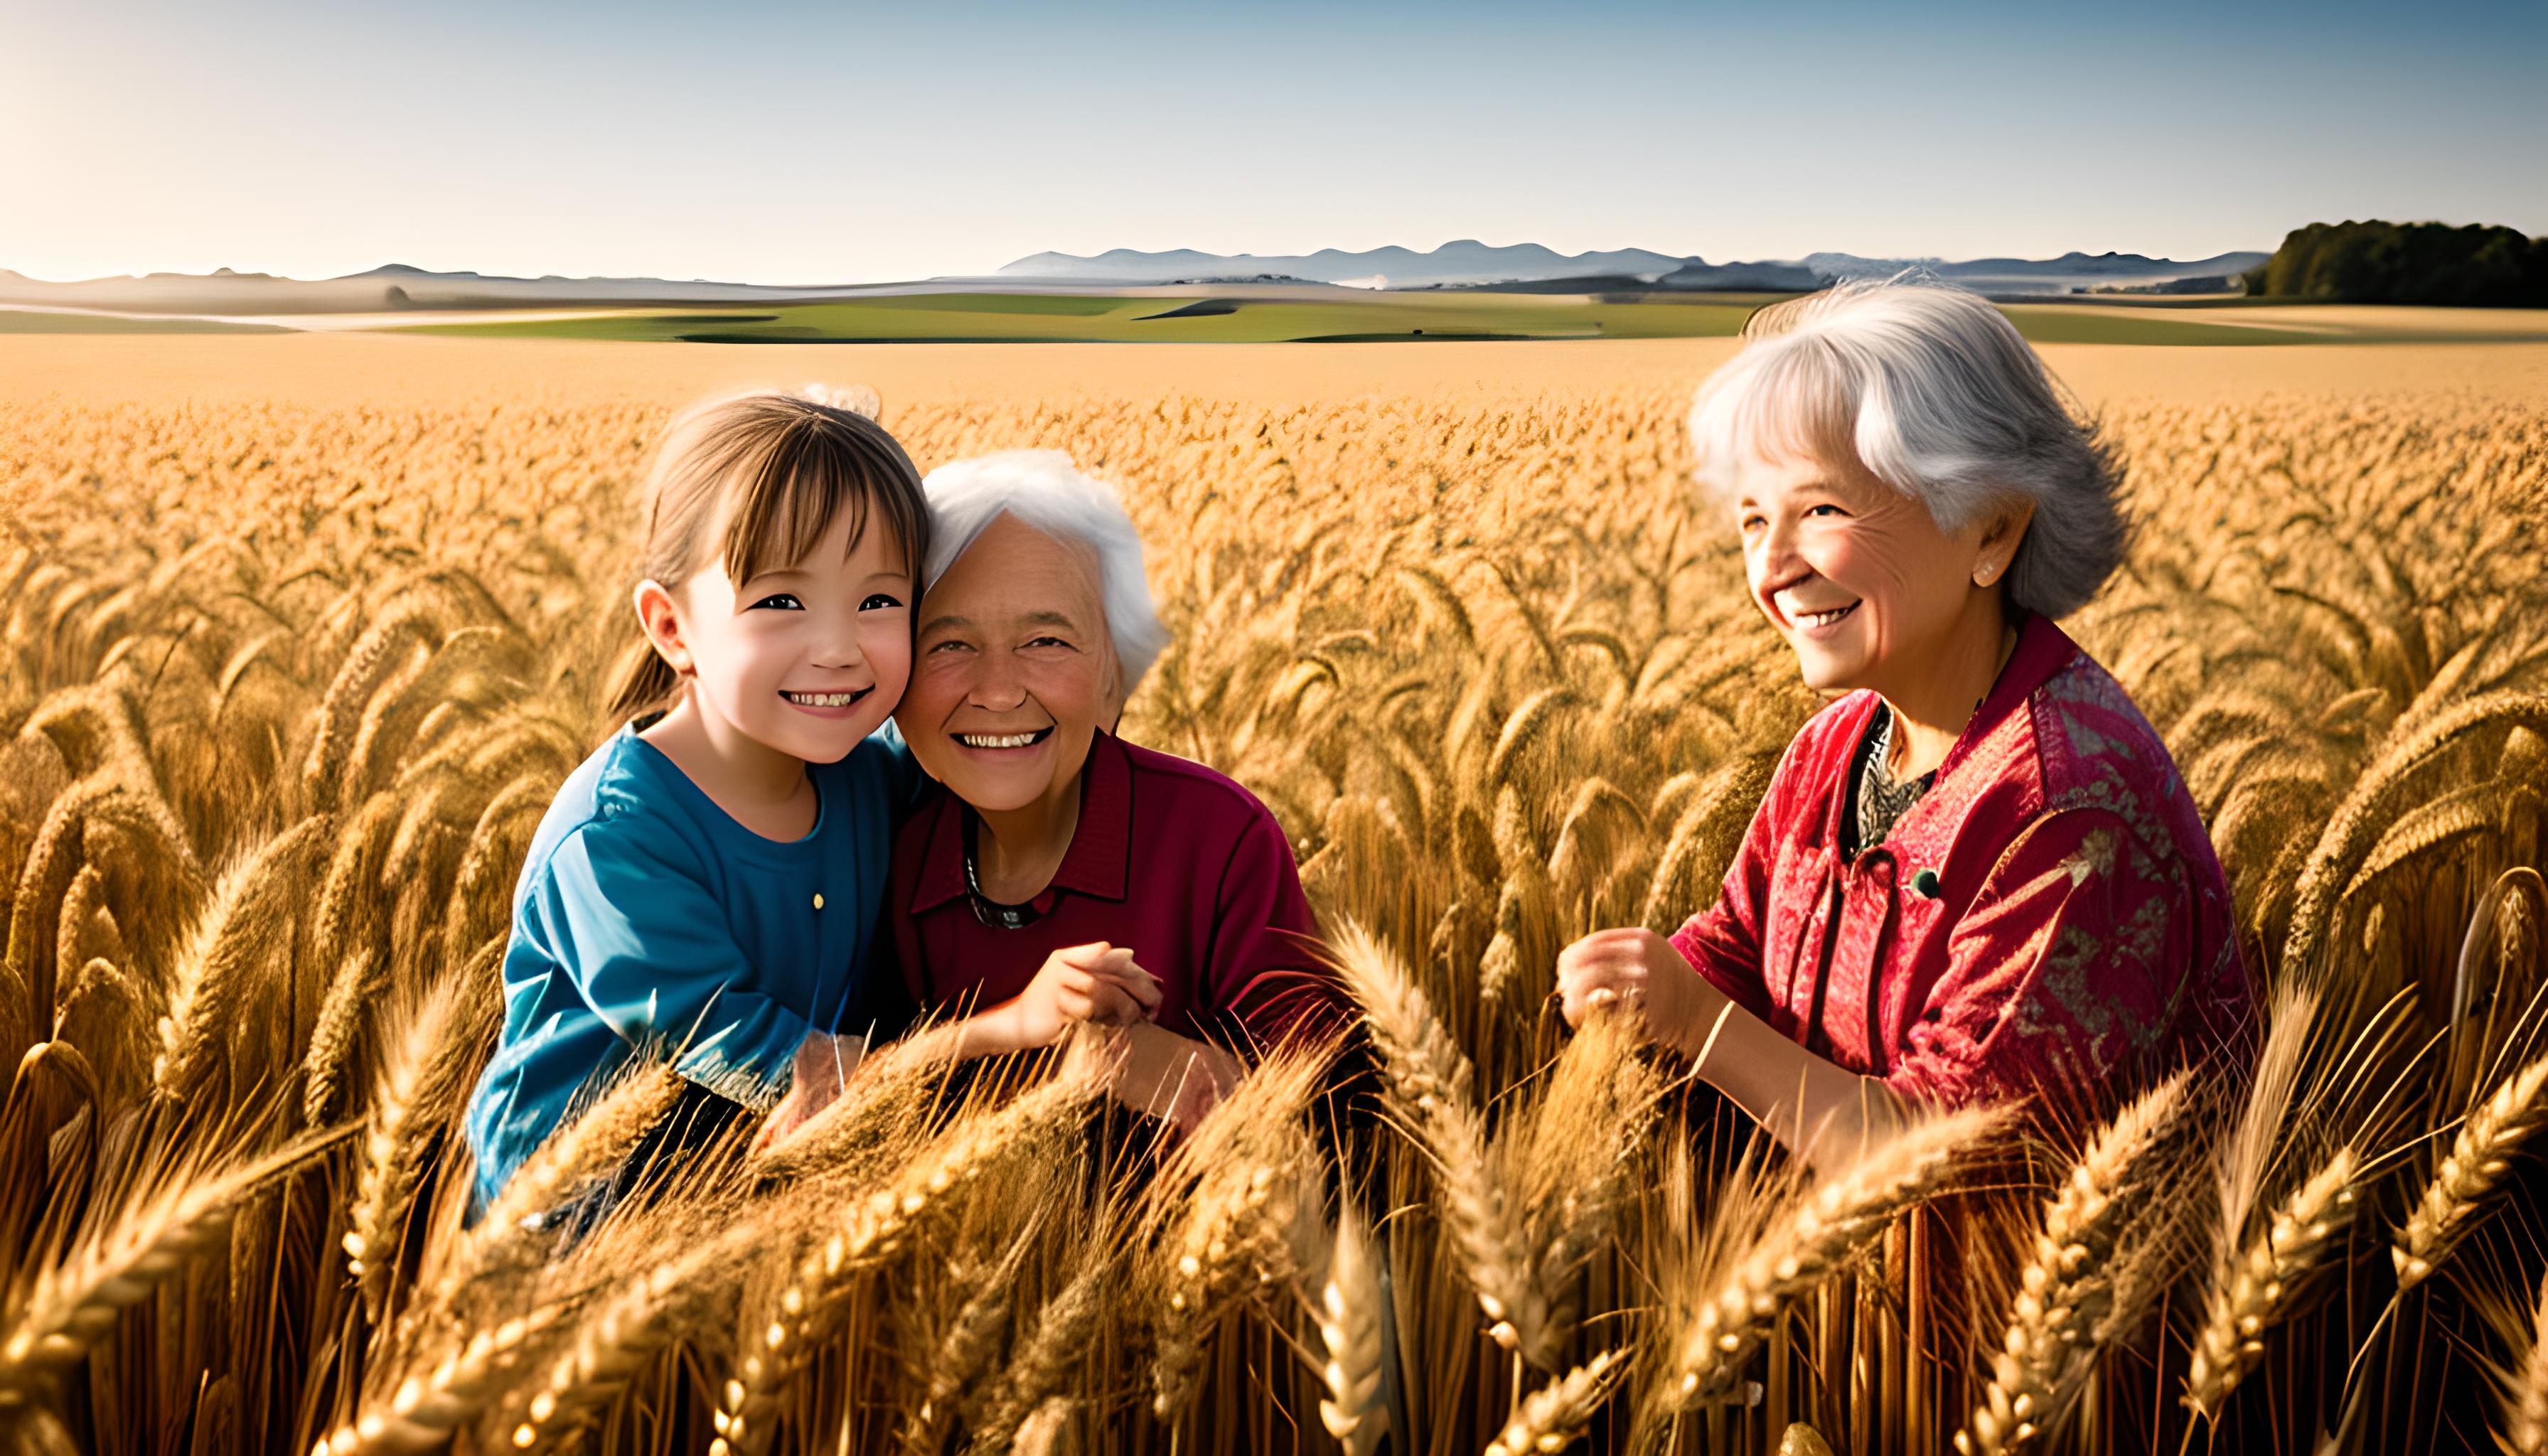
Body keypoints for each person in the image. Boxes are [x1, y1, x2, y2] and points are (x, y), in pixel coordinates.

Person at [1555, 279, 2254, 1172]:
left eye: (1821, 510)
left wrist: (1695, 1022)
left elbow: (1941, 1154)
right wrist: (1628, 991)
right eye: (1752, 520)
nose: (1771, 566)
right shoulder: (1839, 742)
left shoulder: (2071, 809)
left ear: (1990, 527)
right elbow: (1737, 944)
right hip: (1838, 1293)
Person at [461, 390, 928, 1218]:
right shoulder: (614, 837)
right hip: (578, 1216)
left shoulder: (874, 778)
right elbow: (735, 1043)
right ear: (672, 627)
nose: (838, 647)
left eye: (880, 600)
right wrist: (986, 1052)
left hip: (751, 1190)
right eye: (780, 601)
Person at [860, 450, 1349, 1129]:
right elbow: (861, 1096)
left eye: (1047, 641)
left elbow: (1329, 1116)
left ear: (1115, 678)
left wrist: (1120, 1059)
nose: (999, 691)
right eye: (949, 646)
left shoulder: (1218, 840)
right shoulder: (904, 854)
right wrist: (1024, 1037)